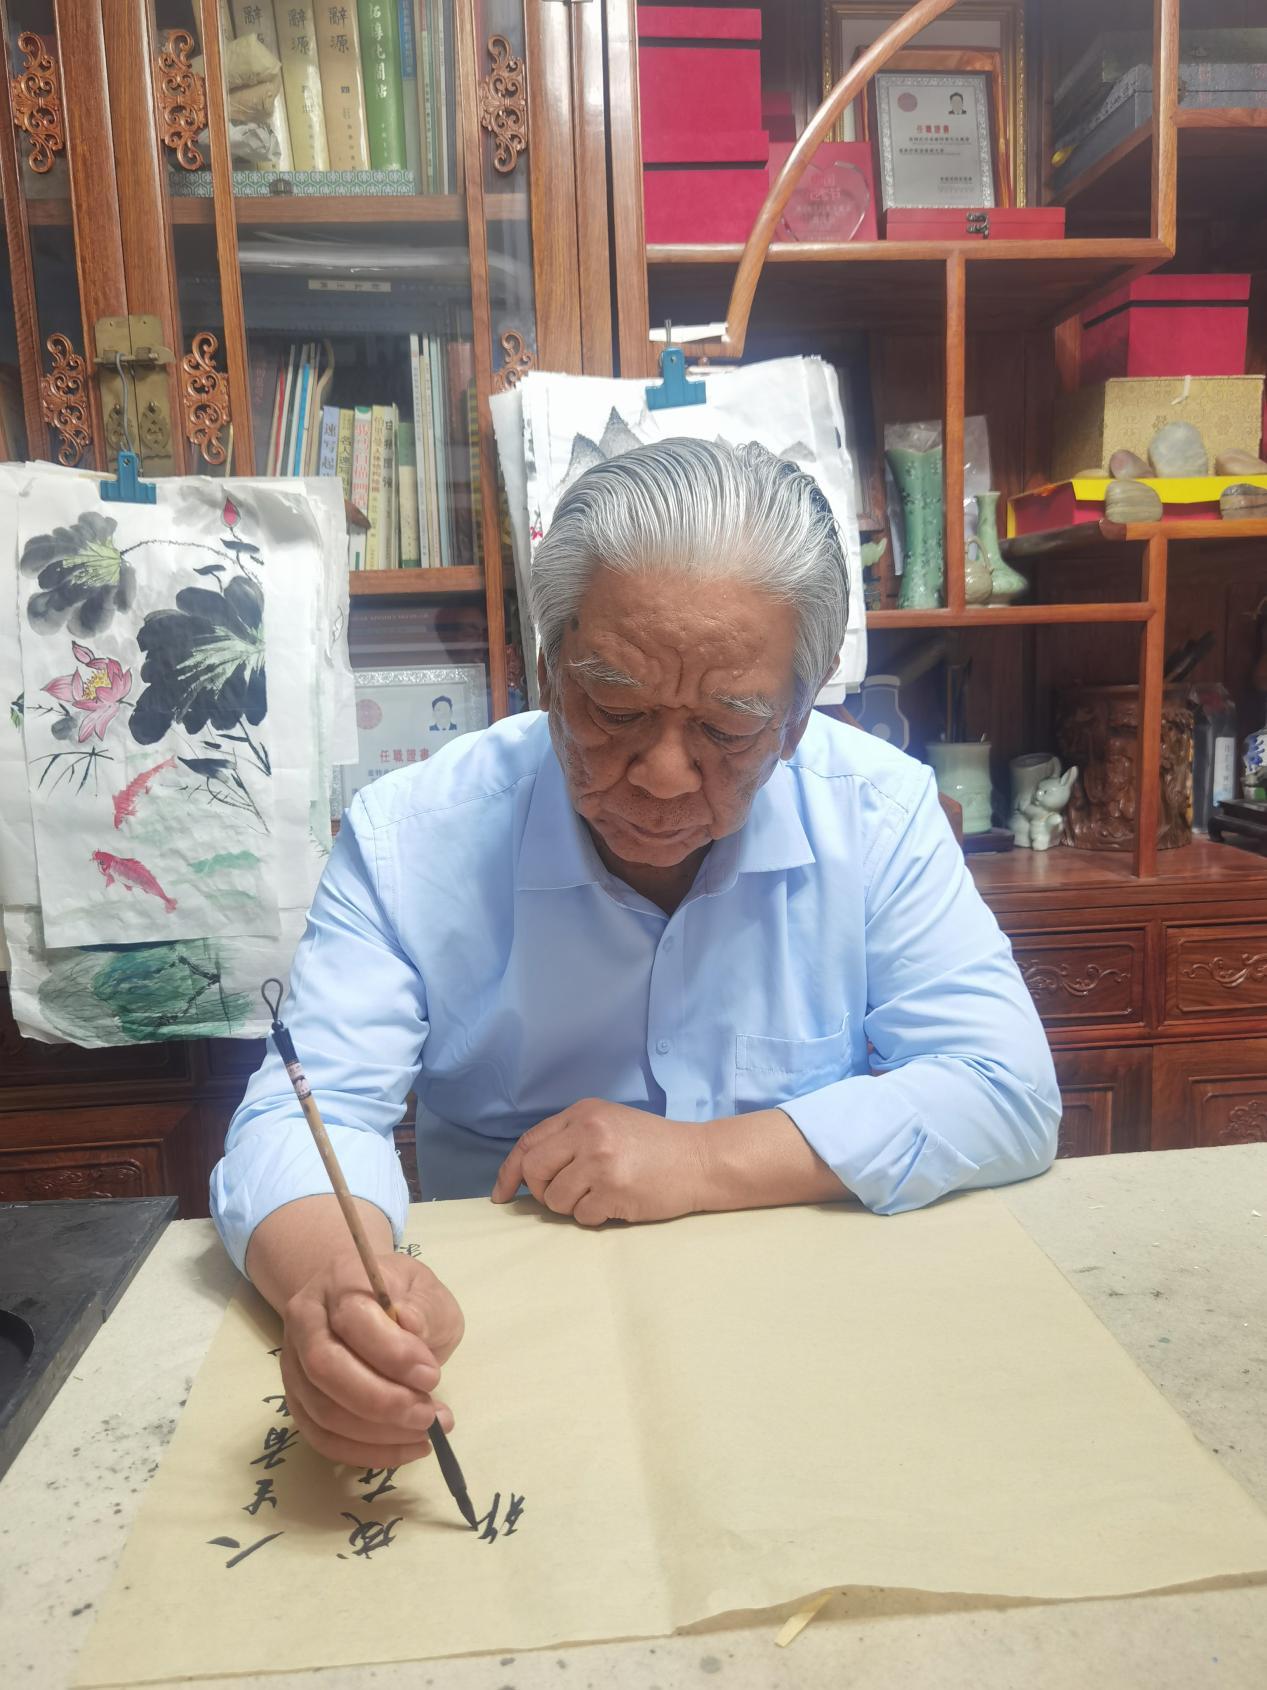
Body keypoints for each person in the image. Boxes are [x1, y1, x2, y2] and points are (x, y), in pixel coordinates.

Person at [212, 439, 1060, 1475]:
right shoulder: (411, 837)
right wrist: (334, 1285)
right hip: (503, 1346)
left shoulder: (875, 813)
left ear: (797, 721)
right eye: (613, 710)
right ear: (547, 674)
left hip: (814, 1332)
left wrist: (699, 1161)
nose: (661, 774)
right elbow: (312, 1110)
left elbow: (1004, 1087)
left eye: (728, 726)